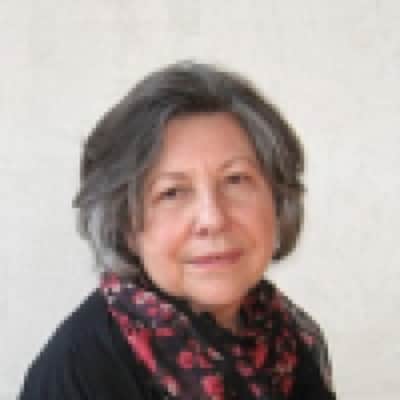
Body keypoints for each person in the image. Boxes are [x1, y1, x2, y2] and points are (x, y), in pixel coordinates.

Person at [20, 61, 336, 399]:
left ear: (278, 199)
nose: (213, 219)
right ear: (125, 224)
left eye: (236, 179)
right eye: (172, 192)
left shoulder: (290, 340)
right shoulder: (81, 370)